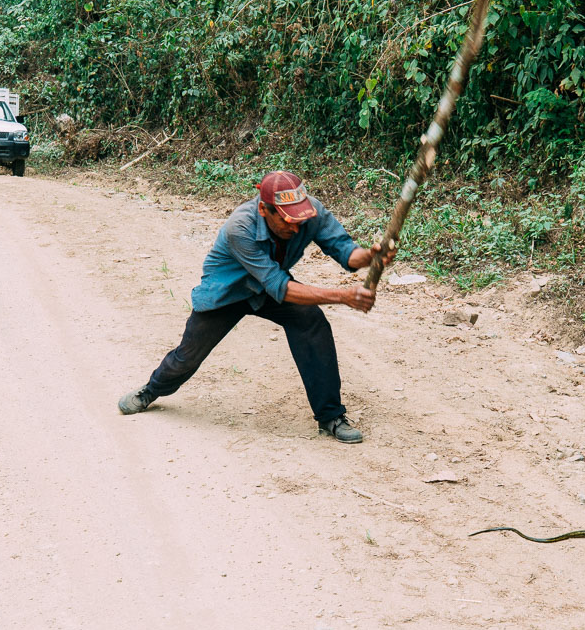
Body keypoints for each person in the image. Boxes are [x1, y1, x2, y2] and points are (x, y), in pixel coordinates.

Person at [118, 170, 393, 444]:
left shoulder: (311, 212)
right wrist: (342, 296)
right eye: (287, 221)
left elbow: (345, 250)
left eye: (300, 221)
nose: (295, 229)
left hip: (268, 290)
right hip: (226, 293)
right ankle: (151, 390)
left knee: (311, 321)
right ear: (264, 209)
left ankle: (330, 416)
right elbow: (280, 286)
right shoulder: (240, 227)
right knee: (187, 356)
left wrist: (370, 256)